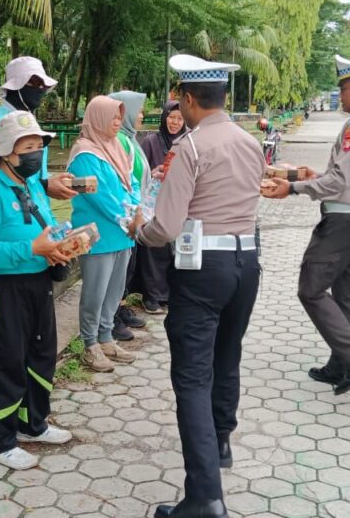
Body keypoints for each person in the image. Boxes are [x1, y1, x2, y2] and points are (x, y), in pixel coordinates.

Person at [129, 55, 264, 518]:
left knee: (191, 377)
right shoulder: (250, 141)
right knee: (228, 354)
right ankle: (220, 442)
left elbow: (167, 226)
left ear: (188, 99)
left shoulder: (190, 147)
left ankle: (205, 497)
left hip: (202, 269)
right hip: (247, 262)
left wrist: (140, 231)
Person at [261, 54, 350, 395]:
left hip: (345, 223)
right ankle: (341, 366)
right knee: (347, 292)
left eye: (344, 88)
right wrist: (315, 176)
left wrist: (292, 188)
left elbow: (339, 183)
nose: (341, 95)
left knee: (311, 289)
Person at [0, 111, 74, 470]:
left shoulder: (31, 185)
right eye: (28, 148)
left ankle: (33, 424)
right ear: (6, 153)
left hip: (38, 282)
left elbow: (47, 228)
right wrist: (31, 249)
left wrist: (62, 244)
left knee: (41, 355)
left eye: (39, 147)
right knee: (7, 362)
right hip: (3, 289)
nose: (36, 154)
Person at [66, 95, 140, 372]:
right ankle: (90, 345)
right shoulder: (83, 154)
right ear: (97, 118)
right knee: (95, 293)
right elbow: (99, 196)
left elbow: (131, 181)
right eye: (113, 117)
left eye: (120, 117)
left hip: (122, 234)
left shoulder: (116, 147)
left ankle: (106, 338)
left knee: (114, 291)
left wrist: (137, 209)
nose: (118, 122)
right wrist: (128, 216)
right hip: (98, 235)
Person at [0, 56, 76, 201]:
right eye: (34, 82)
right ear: (15, 86)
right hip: (13, 208)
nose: (40, 89)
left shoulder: (29, 121)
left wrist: (51, 182)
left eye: (43, 84)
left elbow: (36, 173)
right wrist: (45, 186)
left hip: (37, 205)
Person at [132, 100, 186, 313]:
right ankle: (151, 295)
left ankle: (168, 294)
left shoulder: (186, 142)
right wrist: (154, 172)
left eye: (180, 118)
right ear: (164, 118)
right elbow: (140, 171)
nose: (175, 122)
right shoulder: (151, 141)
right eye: (171, 117)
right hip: (152, 204)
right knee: (153, 249)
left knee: (172, 250)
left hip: (176, 202)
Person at [108, 90, 151, 335]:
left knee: (129, 263)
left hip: (134, 212)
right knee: (122, 266)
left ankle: (120, 308)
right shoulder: (122, 141)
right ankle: (114, 314)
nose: (141, 116)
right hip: (126, 214)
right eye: (139, 111)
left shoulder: (130, 139)